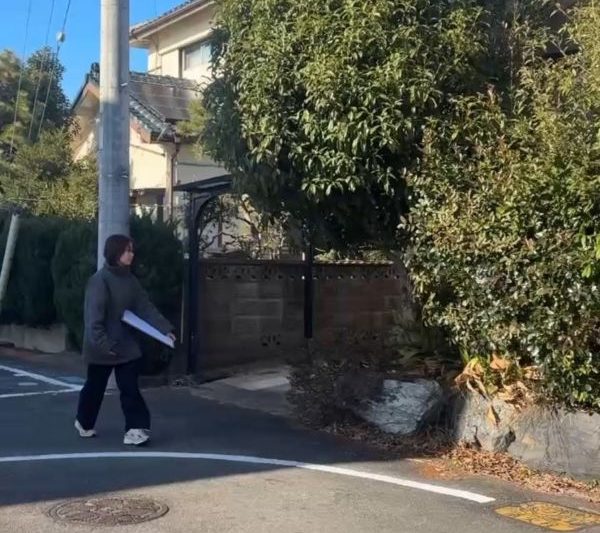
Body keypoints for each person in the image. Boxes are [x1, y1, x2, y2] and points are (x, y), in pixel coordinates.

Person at [75, 234, 176, 446]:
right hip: (102, 346)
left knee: (129, 387)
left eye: (131, 250)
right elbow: (93, 320)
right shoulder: (99, 281)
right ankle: (84, 421)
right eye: (127, 250)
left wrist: (164, 329)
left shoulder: (130, 280)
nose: (131, 254)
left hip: (126, 345)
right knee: (95, 388)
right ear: (115, 253)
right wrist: (104, 345)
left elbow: (145, 307)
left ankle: (136, 429)